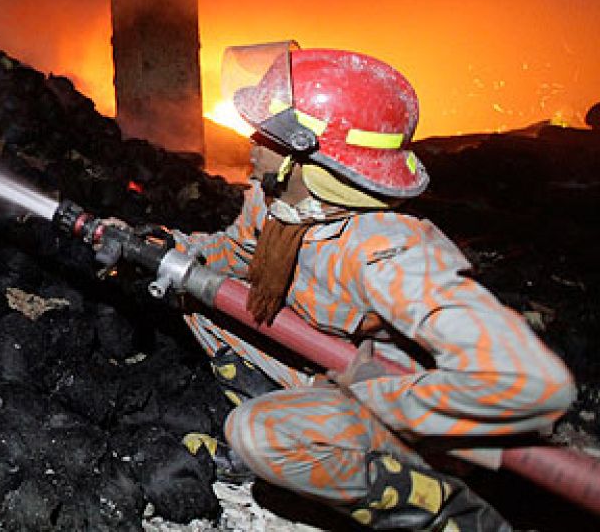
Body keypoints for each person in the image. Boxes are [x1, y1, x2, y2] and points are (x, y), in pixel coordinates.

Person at [170, 44, 574, 532]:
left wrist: (387, 395)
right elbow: (233, 254)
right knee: (196, 294)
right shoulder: (276, 202)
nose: (251, 141)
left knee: (254, 433)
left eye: (269, 134)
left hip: (405, 418)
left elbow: (531, 384)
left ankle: (449, 511)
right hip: (328, 373)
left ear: (308, 156)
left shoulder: (387, 251)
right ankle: (309, 460)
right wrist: (163, 248)